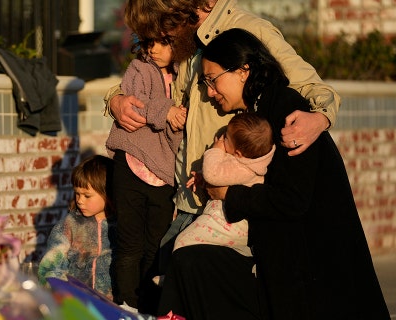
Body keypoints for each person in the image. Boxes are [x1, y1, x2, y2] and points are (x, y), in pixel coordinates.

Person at [159, 28, 390, 320]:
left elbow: (291, 198)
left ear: (243, 71)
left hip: (316, 273)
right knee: (190, 262)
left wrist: (229, 194)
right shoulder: (260, 111)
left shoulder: (285, 111)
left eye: (212, 80)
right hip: (295, 268)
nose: (209, 92)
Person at [105, 0, 342, 276]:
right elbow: (152, 86)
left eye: (161, 29)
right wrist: (115, 100)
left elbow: (312, 86)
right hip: (186, 200)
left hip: (224, 207)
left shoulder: (250, 30)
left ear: (179, 12)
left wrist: (321, 117)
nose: (159, 40)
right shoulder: (186, 41)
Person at [105, 23, 186, 313]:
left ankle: (150, 309)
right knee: (129, 244)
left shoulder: (188, 74)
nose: (153, 48)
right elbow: (136, 103)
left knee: (156, 246)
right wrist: (167, 112)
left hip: (165, 173)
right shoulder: (140, 67)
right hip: (132, 161)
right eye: (149, 41)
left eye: (163, 42)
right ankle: (125, 307)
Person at [173, 113, 275, 257]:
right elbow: (219, 175)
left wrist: (216, 150)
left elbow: (213, 174)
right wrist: (202, 178)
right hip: (223, 219)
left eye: (225, 137)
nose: (221, 139)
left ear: (238, 153)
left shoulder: (244, 168)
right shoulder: (246, 162)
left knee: (184, 242)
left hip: (228, 223)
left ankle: (172, 278)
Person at [37, 155, 116, 301]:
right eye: (77, 194)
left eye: (87, 196)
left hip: (113, 307)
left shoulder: (122, 226)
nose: (79, 200)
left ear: (108, 193)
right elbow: (50, 267)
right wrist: (61, 295)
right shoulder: (68, 225)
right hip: (77, 305)